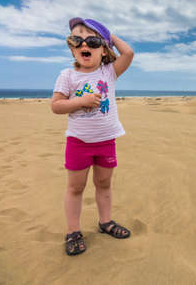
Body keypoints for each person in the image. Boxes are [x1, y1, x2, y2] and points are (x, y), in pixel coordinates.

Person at [51, 17, 134, 256]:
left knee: (104, 184)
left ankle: (105, 222)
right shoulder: (67, 76)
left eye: (93, 40)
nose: (84, 45)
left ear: (104, 49)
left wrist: (109, 35)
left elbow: (128, 53)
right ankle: (73, 231)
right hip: (78, 142)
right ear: (71, 47)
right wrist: (80, 102)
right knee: (76, 188)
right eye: (77, 40)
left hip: (106, 140)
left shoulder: (109, 71)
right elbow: (56, 106)